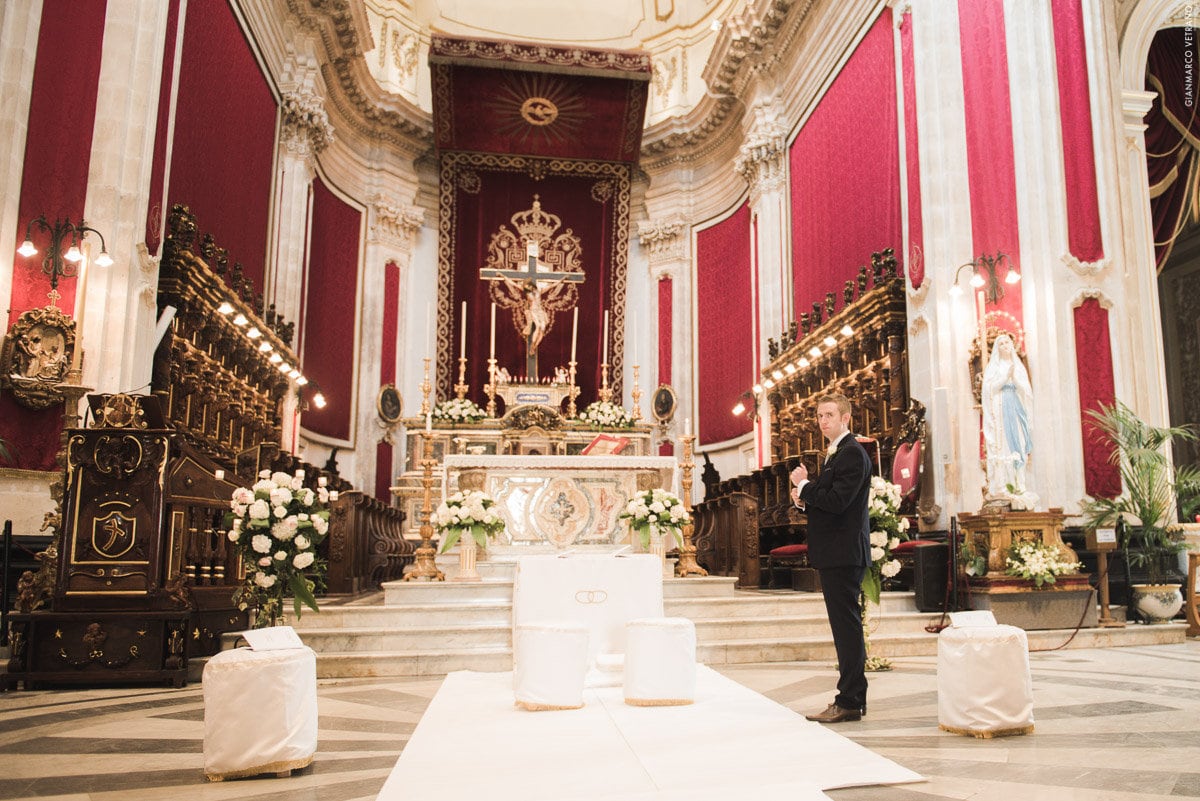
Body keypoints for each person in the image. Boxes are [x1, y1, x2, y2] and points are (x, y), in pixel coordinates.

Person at [789, 392, 872, 723]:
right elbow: (830, 500)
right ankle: (851, 696)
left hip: (843, 553)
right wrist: (804, 499)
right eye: (820, 415)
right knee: (845, 628)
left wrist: (805, 485)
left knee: (847, 628)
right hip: (838, 552)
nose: (823, 421)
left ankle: (850, 699)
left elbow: (837, 501)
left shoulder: (851, 453)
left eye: (829, 415)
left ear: (845, 418)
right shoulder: (837, 453)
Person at [980, 333, 1033, 503]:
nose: (1005, 346)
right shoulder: (994, 367)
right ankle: (1002, 485)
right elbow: (988, 390)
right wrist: (1005, 377)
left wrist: (1015, 378)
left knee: (1018, 444)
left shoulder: (1018, 366)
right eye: (1001, 343)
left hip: (1016, 408)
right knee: (1003, 446)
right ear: (997, 348)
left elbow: (1026, 391)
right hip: (1001, 410)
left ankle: (1019, 484)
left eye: (1007, 342)